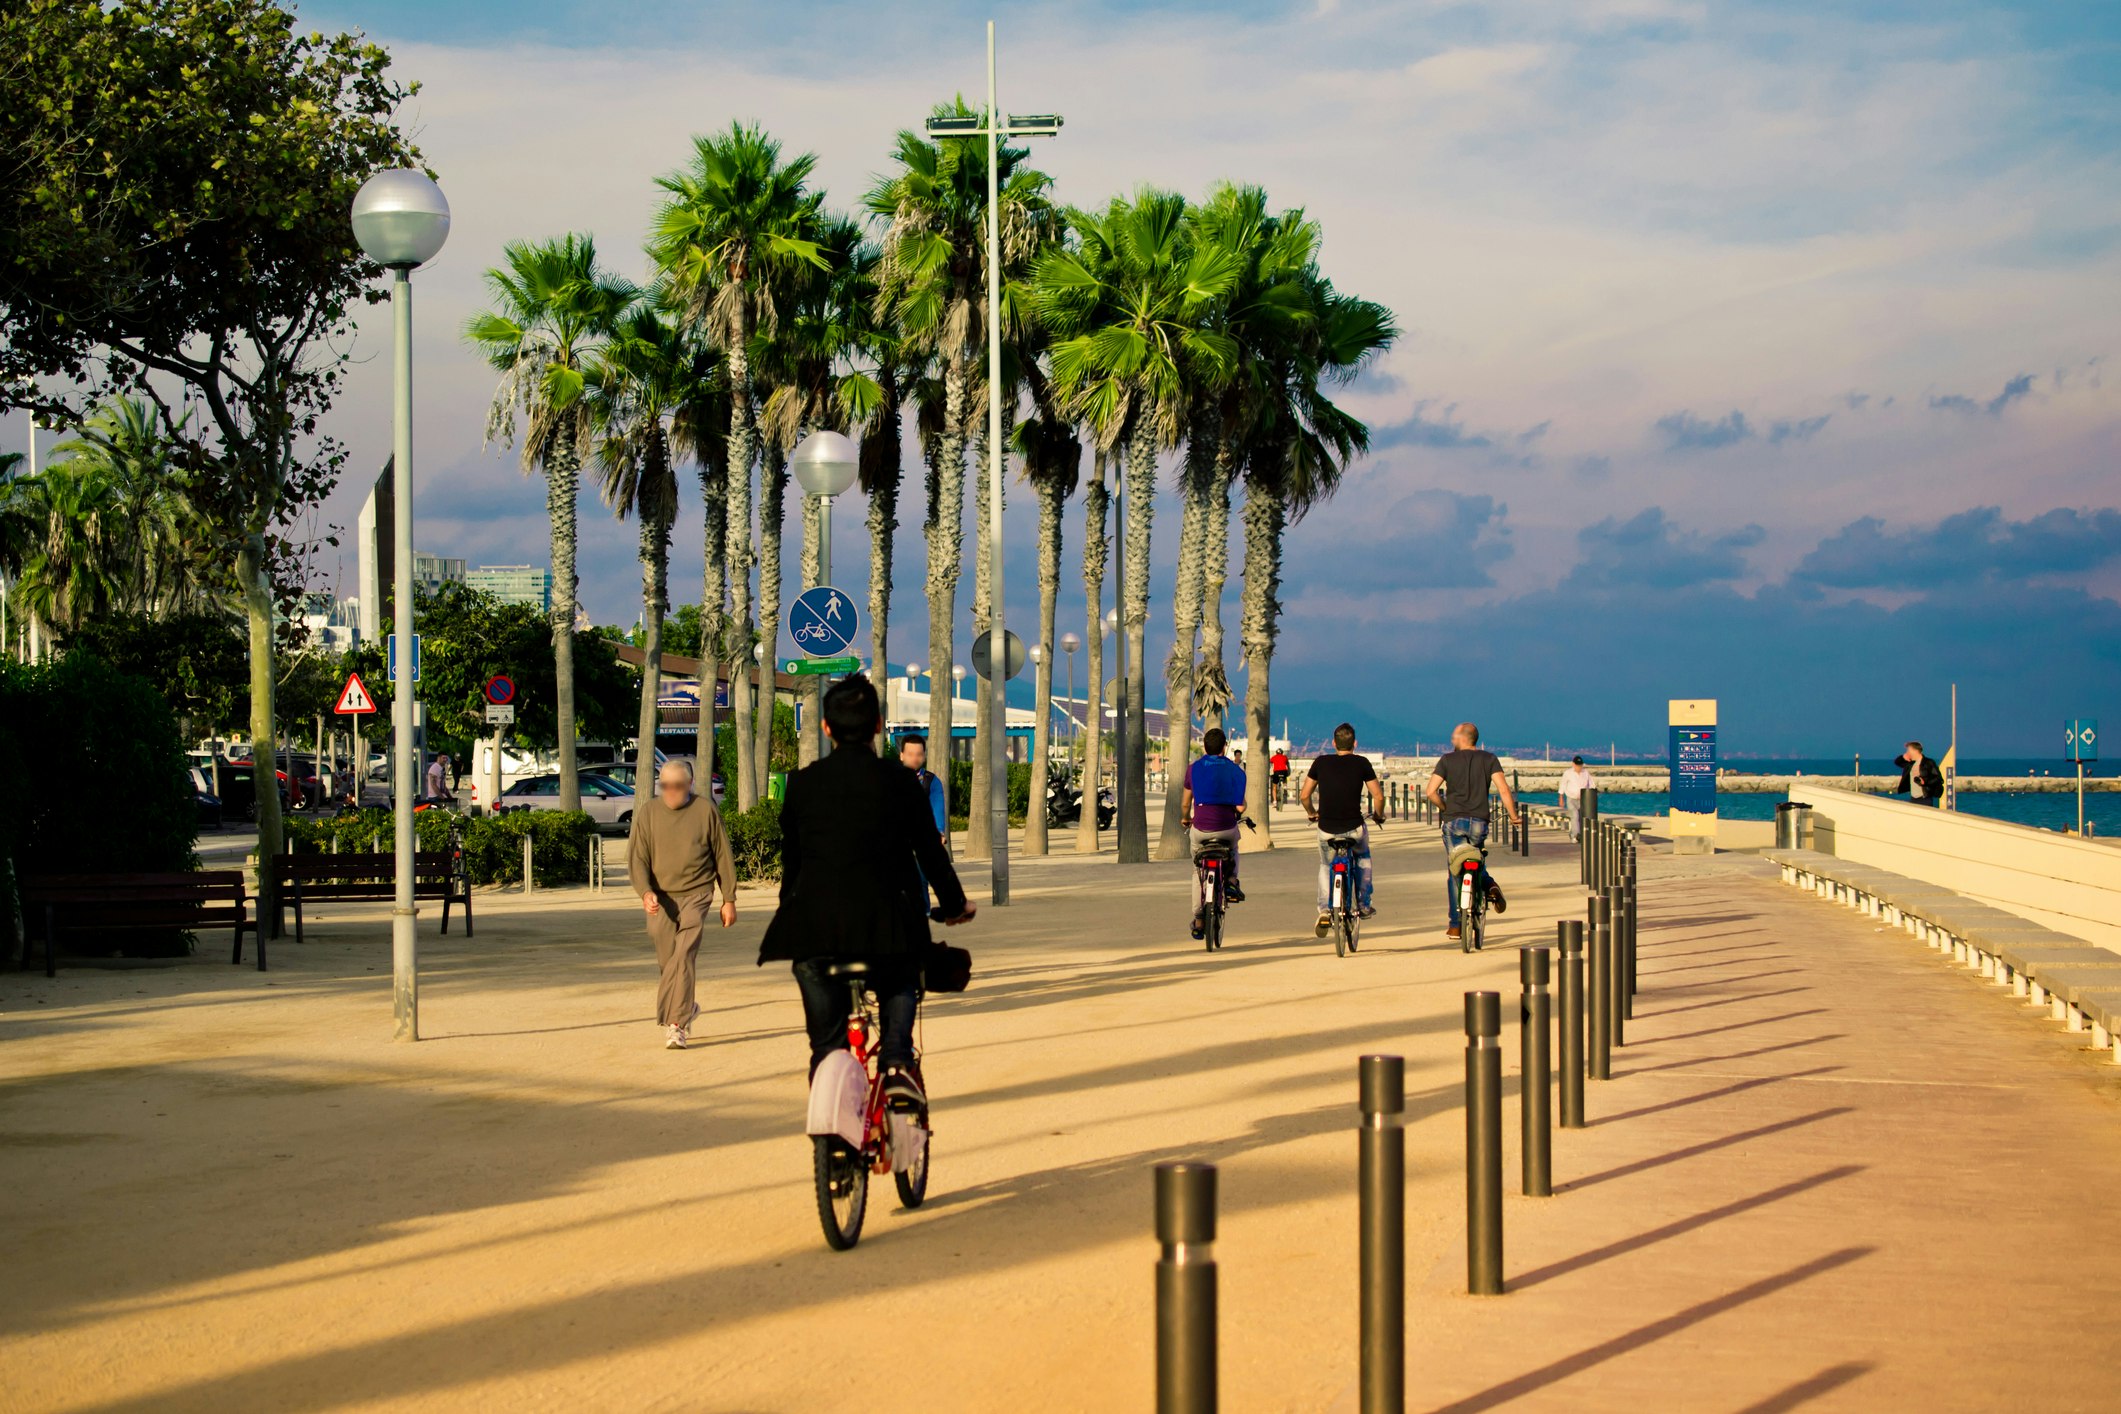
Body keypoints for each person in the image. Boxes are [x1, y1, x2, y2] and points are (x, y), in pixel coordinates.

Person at [760, 675, 973, 1112]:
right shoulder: (902, 783)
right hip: (888, 930)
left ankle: (828, 1086)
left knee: (826, 1047)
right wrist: (954, 905)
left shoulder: (801, 786)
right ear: (878, 725)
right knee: (902, 979)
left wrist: (792, 914)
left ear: (825, 728)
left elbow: (793, 866)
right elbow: (930, 856)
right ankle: (895, 1061)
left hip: (815, 935)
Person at [628, 759, 739, 1049]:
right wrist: (645, 892)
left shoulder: (705, 810)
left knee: (684, 954)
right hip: (661, 897)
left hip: (698, 893)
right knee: (668, 961)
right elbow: (637, 858)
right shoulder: (649, 812)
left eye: (677, 786)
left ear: (689, 785)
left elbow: (723, 856)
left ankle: (676, 1025)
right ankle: (687, 1006)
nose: (671, 792)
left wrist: (729, 898)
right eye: (664, 786)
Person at [1427, 722, 1522, 940]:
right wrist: (1514, 817)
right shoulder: (1489, 759)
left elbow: (1431, 791)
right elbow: (1504, 790)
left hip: (1454, 823)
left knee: (1454, 870)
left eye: (1454, 737)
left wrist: (1445, 808)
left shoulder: (1447, 760)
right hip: (1479, 822)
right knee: (1476, 859)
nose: (1451, 741)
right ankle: (1489, 886)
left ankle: (1455, 925)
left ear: (1463, 738)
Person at [1301, 722, 1385, 934]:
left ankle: (1324, 910)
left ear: (1333, 743)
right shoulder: (1362, 763)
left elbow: (1304, 795)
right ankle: (1364, 905)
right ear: (1354, 743)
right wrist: (1378, 815)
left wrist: (1312, 813)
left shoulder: (1321, 762)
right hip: (1353, 828)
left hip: (1326, 828)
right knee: (1363, 859)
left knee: (1325, 865)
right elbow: (1378, 796)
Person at [1182, 727, 1249, 939]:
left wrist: (1185, 818)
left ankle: (1199, 917)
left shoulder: (1193, 769)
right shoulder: (1236, 771)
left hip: (1200, 829)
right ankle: (1231, 881)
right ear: (1224, 747)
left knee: (1196, 870)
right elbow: (1240, 808)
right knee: (1234, 846)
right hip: (1227, 828)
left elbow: (1185, 804)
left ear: (1204, 746)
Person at [898, 733, 948, 851]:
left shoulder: (931, 781)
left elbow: (937, 808)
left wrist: (939, 832)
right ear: (902, 755)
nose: (915, 759)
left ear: (924, 756)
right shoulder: (888, 777)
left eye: (919, 754)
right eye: (910, 754)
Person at [1894, 741, 1944, 806]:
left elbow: (1938, 778)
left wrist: (1925, 781)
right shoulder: (1910, 763)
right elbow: (1897, 762)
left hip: (1925, 798)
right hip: (1913, 798)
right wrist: (1903, 757)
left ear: (1915, 750)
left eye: (1909, 750)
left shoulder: (1928, 762)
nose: (1907, 752)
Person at [1558, 755, 1595, 841]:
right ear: (1573, 764)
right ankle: (1576, 836)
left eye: (1580, 765)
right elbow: (1562, 785)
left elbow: (1591, 784)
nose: (1579, 767)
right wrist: (1561, 798)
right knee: (1574, 816)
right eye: (1577, 765)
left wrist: (1592, 795)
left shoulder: (1586, 773)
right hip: (1571, 798)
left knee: (1581, 818)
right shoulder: (1568, 773)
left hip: (1583, 799)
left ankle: (1573, 833)